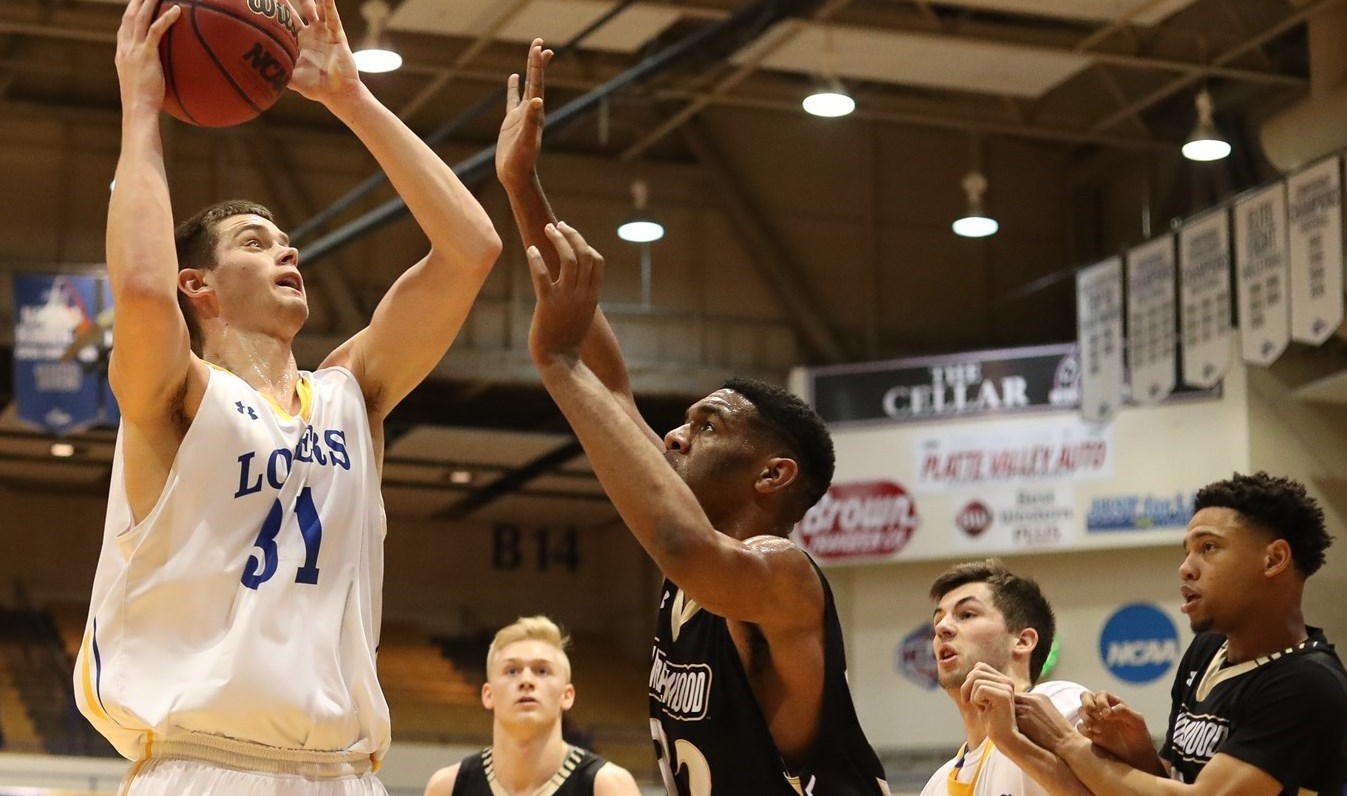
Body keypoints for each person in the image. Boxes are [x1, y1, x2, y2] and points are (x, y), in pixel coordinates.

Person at [73, 0, 504, 794]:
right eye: (255, 241)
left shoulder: (351, 393)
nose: (288, 252)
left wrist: (351, 98)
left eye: (286, 240)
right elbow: (136, 286)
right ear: (197, 285)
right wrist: (140, 109)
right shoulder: (177, 396)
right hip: (205, 766)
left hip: (343, 771)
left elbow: (471, 249)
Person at [496, 39, 890, 796]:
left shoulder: (780, 574)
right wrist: (522, 186)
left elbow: (679, 542)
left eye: (706, 427)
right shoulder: (701, 571)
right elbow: (609, 388)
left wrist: (556, 366)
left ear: (773, 475)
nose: (674, 435)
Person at [1012, 471, 1347, 795]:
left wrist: (1064, 741)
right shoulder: (1207, 649)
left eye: (1208, 547)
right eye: (1186, 551)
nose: (1186, 567)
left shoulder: (1307, 683)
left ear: (1274, 559)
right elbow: (1171, 781)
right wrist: (1138, 749)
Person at [921, 559, 1089, 796]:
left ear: (1022, 641)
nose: (942, 628)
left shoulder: (1059, 703)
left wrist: (1013, 742)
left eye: (966, 614)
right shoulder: (936, 786)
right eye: (938, 621)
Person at [423, 616, 640, 796]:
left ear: (567, 696)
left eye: (542, 670)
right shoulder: (448, 787)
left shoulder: (609, 786)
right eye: (512, 671)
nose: (526, 680)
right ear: (488, 694)